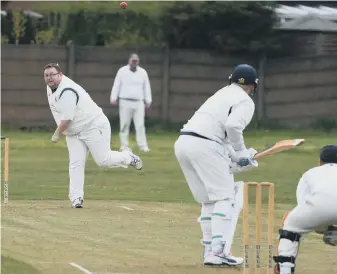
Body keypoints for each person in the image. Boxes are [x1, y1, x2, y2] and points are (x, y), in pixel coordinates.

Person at [174, 64, 259, 266]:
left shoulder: (221, 94)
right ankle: (219, 251)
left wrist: (238, 158)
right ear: (253, 85)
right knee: (224, 196)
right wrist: (241, 153)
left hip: (183, 143)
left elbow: (221, 136)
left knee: (209, 199)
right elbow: (232, 127)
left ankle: (210, 252)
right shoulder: (245, 101)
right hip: (205, 145)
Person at [44, 63, 143, 209]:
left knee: (103, 160)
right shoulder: (51, 87)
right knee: (75, 164)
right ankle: (76, 199)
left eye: (52, 74)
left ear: (60, 75)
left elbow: (66, 119)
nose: (49, 78)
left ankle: (128, 157)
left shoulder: (67, 91)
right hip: (74, 132)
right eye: (46, 75)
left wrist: (56, 134)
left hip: (93, 126)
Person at [273, 145, 337, 274]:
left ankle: (285, 269)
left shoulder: (310, 173)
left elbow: (304, 206)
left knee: (291, 225)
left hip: (319, 209)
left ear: (319, 161)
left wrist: (322, 228)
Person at [110, 53, 152, 152]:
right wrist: (113, 97)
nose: (134, 62)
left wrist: (148, 100)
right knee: (124, 124)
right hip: (125, 101)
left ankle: (143, 146)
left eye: (136, 61)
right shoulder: (122, 71)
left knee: (140, 124)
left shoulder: (142, 72)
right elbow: (117, 84)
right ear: (129, 61)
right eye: (132, 61)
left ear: (138, 62)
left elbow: (146, 87)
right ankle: (124, 145)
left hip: (139, 102)